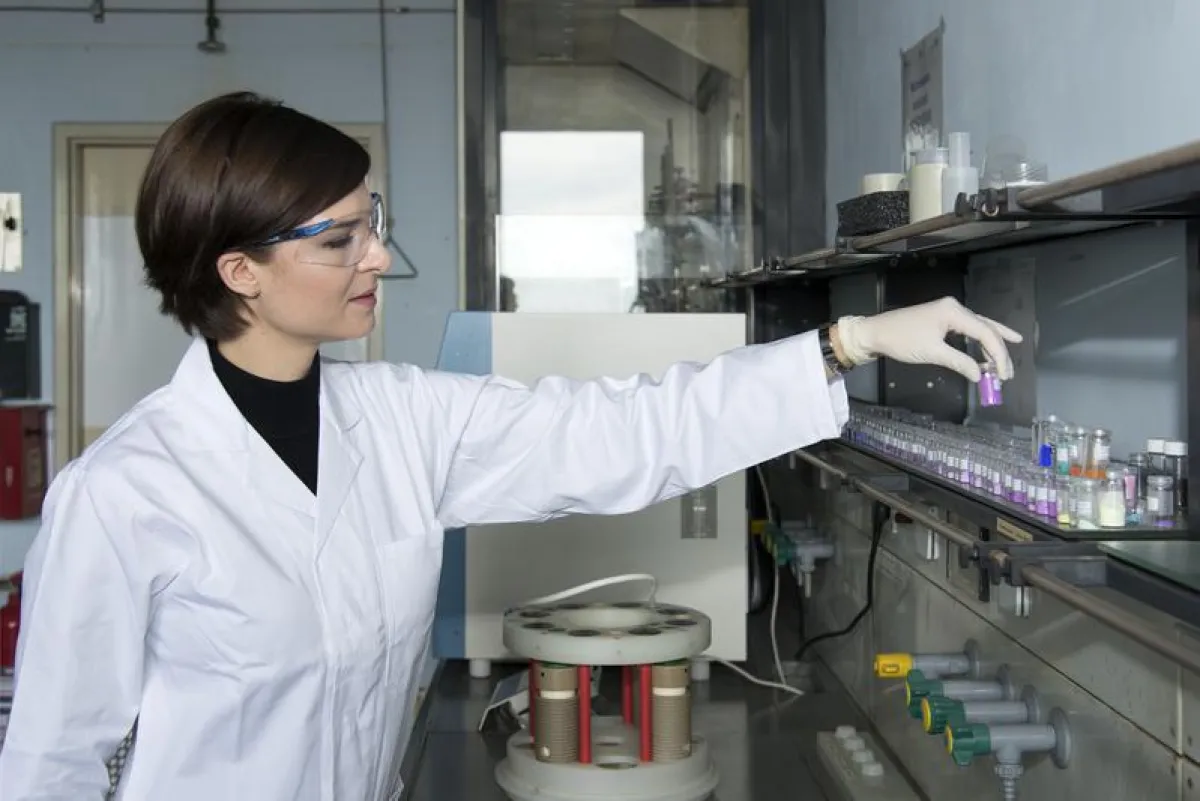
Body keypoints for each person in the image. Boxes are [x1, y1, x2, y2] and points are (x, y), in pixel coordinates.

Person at [0, 92, 1020, 801]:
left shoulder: (401, 419)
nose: (377, 259)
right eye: (338, 240)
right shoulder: (124, 495)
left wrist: (849, 343)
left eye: (374, 223)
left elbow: (620, 430)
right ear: (240, 272)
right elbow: (50, 767)